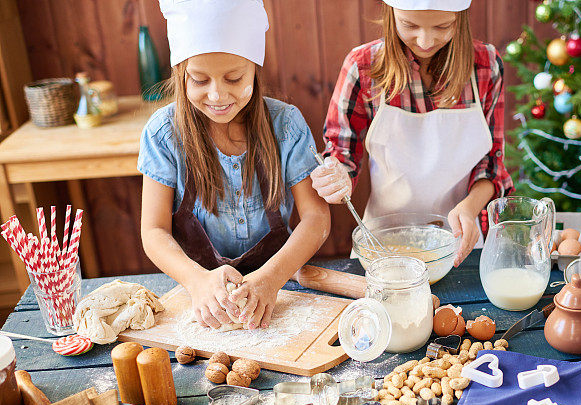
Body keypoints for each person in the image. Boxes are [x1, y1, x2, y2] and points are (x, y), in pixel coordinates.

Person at [139, 0, 329, 330]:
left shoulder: (287, 125)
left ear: (255, 68)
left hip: (278, 292)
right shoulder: (163, 133)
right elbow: (153, 232)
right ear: (181, 73)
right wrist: (198, 282)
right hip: (196, 298)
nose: (217, 95)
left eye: (233, 77)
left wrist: (270, 279)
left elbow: (317, 217)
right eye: (199, 80)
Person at [311, 0, 513, 267]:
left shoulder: (487, 65)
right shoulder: (362, 67)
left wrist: (470, 207)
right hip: (383, 246)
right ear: (391, 13)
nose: (426, 40)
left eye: (442, 26)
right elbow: (341, 154)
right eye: (409, 25)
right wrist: (336, 178)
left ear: (460, 17)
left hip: (461, 242)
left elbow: (490, 164)